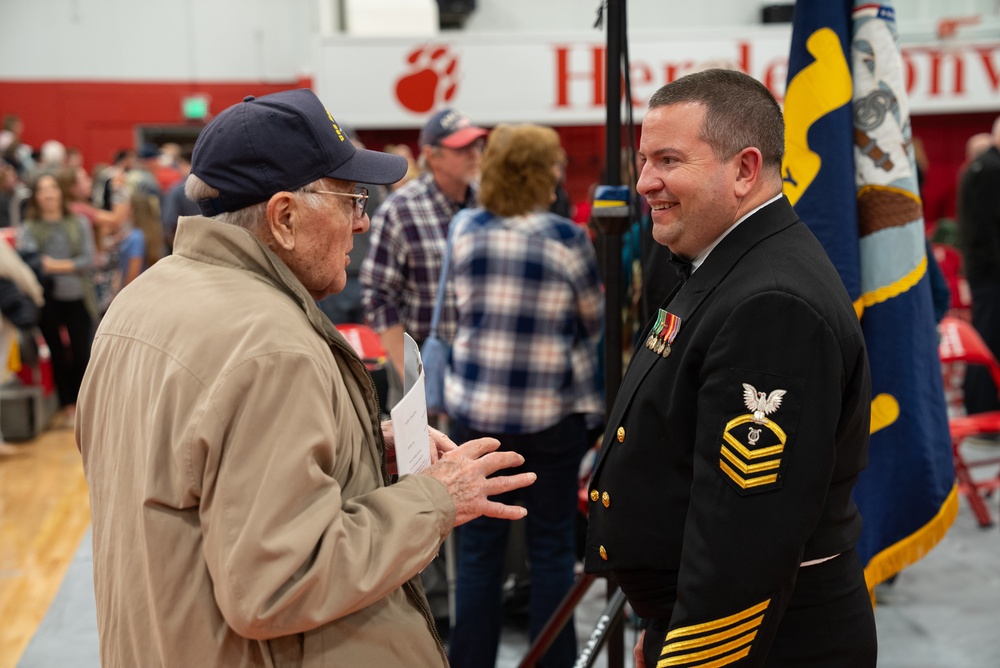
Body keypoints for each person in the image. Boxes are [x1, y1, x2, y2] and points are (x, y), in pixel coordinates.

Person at [76, 88, 535, 668]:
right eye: (351, 200)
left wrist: (358, 444)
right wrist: (436, 498)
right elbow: (281, 581)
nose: (363, 223)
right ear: (285, 216)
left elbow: (195, 469)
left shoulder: (140, 300)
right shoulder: (273, 346)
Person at [584, 69, 876, 667]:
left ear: (744, 169)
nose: (644, 183)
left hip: (770, 642)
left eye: (668, 160)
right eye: (644, 161)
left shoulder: (772, 303)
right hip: (700, 617)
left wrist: (688, 653)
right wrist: (664, 621)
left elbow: (744, 540)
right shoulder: (722, 261)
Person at [444, 124, 604, 668]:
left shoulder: (464, 227)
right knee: (553, 550)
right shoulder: (566, 238)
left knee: (478, 553)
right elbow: (592, 321)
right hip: (549, 415)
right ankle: (550, 662)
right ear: (545, 174)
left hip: (476, 414)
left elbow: (450, 314)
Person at [360, 108, 488, 381]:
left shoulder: (489, 205)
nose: (474, 154)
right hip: (423, 367)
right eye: (461, 148)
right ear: (432, 155)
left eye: (476, 145)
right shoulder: (401, 210)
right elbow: (379, 297)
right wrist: (410, 374)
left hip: (482, 371)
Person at [20, 172, 97, 429]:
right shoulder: (29, 228)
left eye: (53, 188)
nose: (49, 194)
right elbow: (32, 263)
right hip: (47, 298)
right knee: (55, 353)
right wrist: (68, 265)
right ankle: (68, 406)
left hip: (78, 296)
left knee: (81, 352)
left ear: (61, 192)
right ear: (36, 197)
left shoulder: (78, 222)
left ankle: (86, 402)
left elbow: (88, 260)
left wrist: (55, 264)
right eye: (43, 190)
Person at [957, 117, 1000, 416]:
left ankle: (980, 402)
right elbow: (987, 229)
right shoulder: (992, 169)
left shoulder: (982, 166)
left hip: (983, 269)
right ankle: (982, 406)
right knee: (988, 337)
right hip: (990, 273)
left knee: (987, 335)